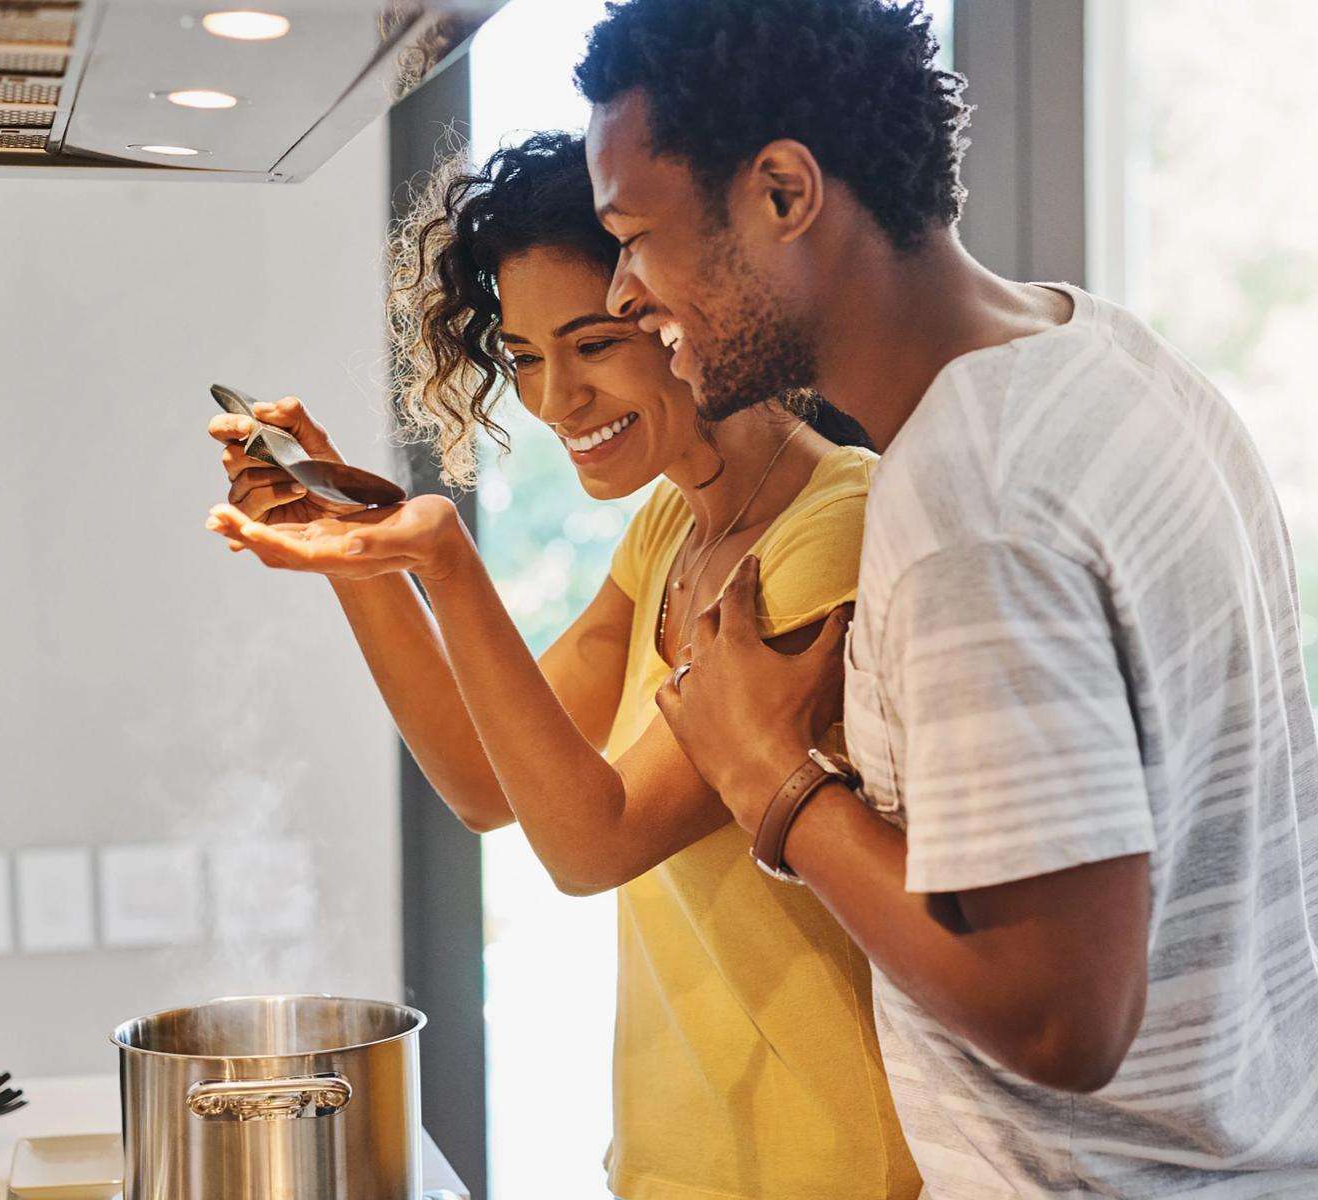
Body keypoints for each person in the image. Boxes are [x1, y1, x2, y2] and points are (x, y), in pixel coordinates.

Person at [574, 1, 1318, 1196]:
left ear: (785, 194)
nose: (624, 291)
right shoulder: (1111, 356)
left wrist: (773, 778)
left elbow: (1061, 1021)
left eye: (635, 236)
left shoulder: (968, 504)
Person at [203, 132, 921, 1200]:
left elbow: (595, 841)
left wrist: (445, 559)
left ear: (684, 309)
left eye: (592, 344)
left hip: (830, 1168)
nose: (553, 401)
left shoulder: (834, 528)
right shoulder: (672, 529)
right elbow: (487, 780)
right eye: (528, 355)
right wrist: (358, 552)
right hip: (674, 1160)